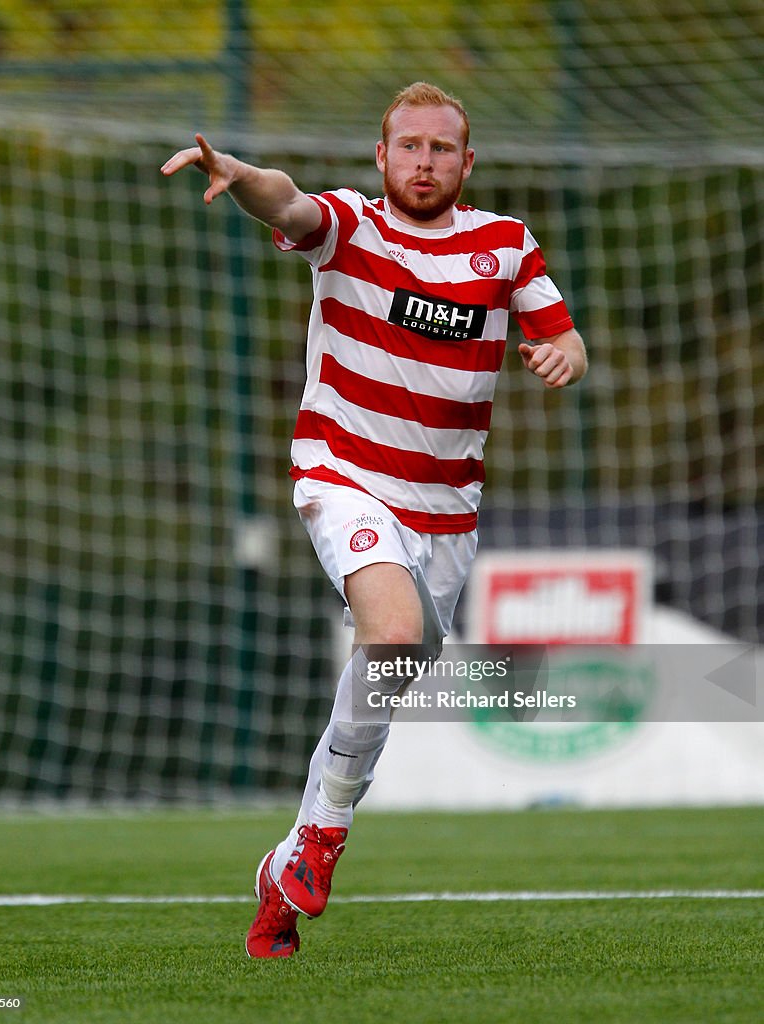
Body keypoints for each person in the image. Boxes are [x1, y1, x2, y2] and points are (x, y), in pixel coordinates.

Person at [161, 81, 587, 958]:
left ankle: (287, 862)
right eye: (408, 147)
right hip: (345, 477)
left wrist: (562, 353)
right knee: (388, 632)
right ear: (380, 156)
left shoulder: (504, 246)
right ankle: (323, 834)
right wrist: (239, 174)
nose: (422, 162)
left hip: (448, 516)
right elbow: (285, 198)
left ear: (466, 163)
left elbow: (565, 333)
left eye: (440, 149)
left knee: (388, 682)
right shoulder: (351, 227)